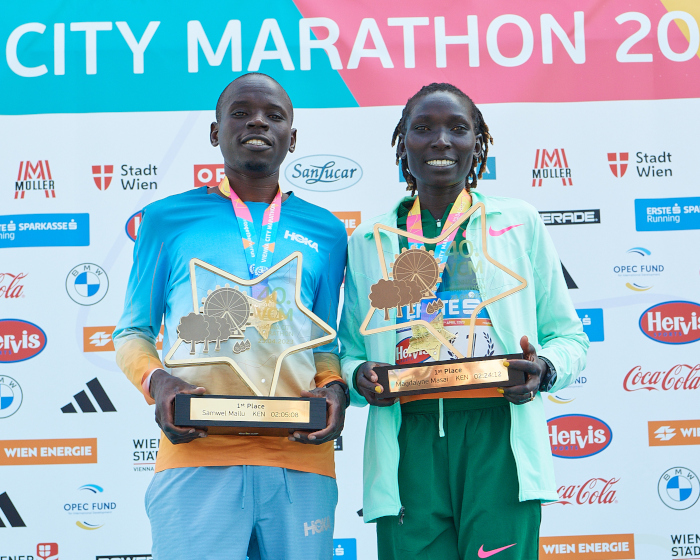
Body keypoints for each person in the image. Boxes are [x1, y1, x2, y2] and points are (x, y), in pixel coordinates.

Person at [339, 83, 589, 560]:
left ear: (478, 143)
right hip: (406, 441)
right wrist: (357, 376)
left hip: (500, 435)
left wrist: (546, 370)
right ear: (402, 143)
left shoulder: (519, 222)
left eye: (458, 128)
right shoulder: (369, 238)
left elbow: (569, 337)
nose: (440, 141)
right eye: (423, 128)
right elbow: (350, 350)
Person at [114, 72, 349, 560]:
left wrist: (334, 388)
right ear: (216, 131)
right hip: (196, 454)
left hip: (300, 458)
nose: (257, 122)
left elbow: (323, 344)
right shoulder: (165, 219)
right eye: (240, 113)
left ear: (293, 137)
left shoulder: (326, 230)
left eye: (274, 115)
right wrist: (160, 383)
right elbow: (132, 331)